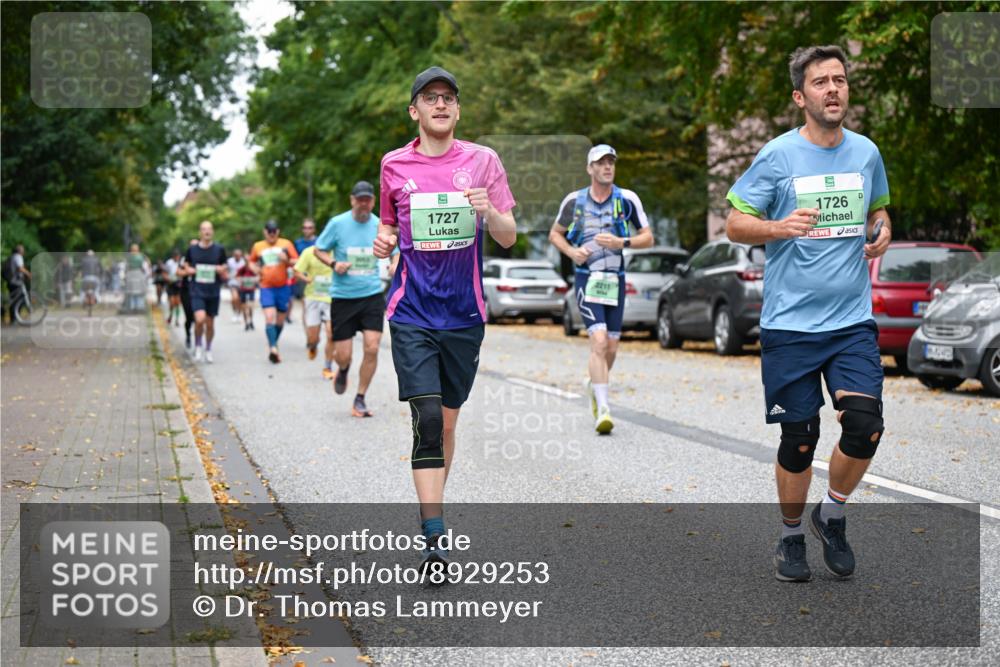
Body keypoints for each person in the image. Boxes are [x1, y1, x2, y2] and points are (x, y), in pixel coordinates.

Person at [725, 45, 891, 583]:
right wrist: (777, 227)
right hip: (790, 325)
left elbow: (877, 207)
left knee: (865, 425)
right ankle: (792, 534)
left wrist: (883, 226)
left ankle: (833, 514)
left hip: (850, 322)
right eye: (821, 82)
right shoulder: (777, 156)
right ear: (801, 97)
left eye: (840, 79)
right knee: (798, 439)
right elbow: (733, 223)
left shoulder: (866, 152)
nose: (833, 89)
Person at [374, 66, 516, 568]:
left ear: (457, 109)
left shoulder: (483, 161)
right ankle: (434, 534)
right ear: (414, 110)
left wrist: (488, 211)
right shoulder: (394, 164)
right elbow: (390, 228)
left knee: (448, 423)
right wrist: (384, 240)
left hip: (464, 314)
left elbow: (507, 236)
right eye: (430, 98)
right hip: (411, 310)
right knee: (428, 419)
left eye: (449, 98)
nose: (440, 104)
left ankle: (433, 509)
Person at [549, 144, 654, 434]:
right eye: (601, 163)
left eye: (611, 162)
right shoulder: (574, 201)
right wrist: (571, 253)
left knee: (611, 346)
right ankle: (604, 409)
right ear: (590, 168)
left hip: (616, 280)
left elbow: (648, 238)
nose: (607, 167)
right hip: (587, 278)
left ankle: (594, 385)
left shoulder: (628, 199)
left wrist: (623, 243)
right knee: (598, 340)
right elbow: (554, 235)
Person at [314, 181, 390, 413]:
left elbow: (395, 252)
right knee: (343, 355)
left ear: (373, 201)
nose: (363, 203)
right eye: (360, 199)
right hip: (343, 297)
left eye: (368, 199)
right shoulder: (337, 223)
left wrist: (394, 265)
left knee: (372, 347)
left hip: (372, 296)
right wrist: (334, 263)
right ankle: (344, 369)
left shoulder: (381, 225)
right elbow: (319, 249)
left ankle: (360, 397)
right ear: (352, 200)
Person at [249, 221, 299, 363]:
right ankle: (273, 348)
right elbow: (251, 261)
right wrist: (255, 269)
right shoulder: (258, 246)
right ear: (264, 232)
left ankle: (273, 343)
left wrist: (288, 260)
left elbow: (298, 261)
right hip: (266, 287)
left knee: (280, 321)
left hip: (283, 287)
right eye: (269, 231)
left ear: (278, 231)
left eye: (274, 231)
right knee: (269, 317)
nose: (272, 234)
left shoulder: (286, 244)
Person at [180, 222, 228, 362]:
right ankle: (198, 345)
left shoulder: (219, 249)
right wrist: (189, 270)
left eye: (209, 229)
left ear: (212, 232)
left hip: (213, 290)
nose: (207, 232)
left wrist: (221, 269)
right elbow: (186, 265)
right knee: (199, 319)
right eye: (204, 229)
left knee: (210, 323)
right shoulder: (192, 250)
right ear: (200, 232)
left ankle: (208, 348)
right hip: (197, 290)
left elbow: (225, 265)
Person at [293, 243, 335, 379]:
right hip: (313, 297)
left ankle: (327, 367)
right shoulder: (309, 252)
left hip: (332, 298)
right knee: (312, 338)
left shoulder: (338, 250)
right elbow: (297, 271)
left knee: (331, 334)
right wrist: (306, 279)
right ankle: (313, 345)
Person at [289, 218, 317, 327]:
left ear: (314, 229)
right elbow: (292, 260)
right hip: (302, 277)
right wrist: (302, 261)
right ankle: (309, 336)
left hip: (318, 278)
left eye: (310, 228)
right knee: (306, 305)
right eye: (305, 228)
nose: (307, 230)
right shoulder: (297, 243)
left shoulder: (319, 241)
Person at [4, 244, 31, 323]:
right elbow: (20, 268)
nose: (24, 251)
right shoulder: (18, 257)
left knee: (14, 300)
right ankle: (15, 319)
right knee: (19, 300)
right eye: (22, 249)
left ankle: (14, 319)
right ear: (20, 250)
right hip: (16, 282)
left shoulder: (12, 256)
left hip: (11, 281)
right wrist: (28, 273)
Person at [179, 239, 198, 348]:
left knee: (198, 317)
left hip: (199, 290)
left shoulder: (202, 258)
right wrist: (188, 272)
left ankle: (197, 341)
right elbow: (178, 272)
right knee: (189, 317)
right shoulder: (184, 260)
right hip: (186, 291)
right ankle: (188, 335)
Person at [124, 243, 149, 312]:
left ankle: (132, 307)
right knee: (140, 292)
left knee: (131, 292)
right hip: (139, 274)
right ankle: (139, 307)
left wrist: (125, 276)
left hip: (130, 274)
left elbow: (126, 267)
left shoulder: (128, 257)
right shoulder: (141, 256)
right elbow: (145, 267)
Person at [235, 257, 257, 331]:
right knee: (244, 307)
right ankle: (246, 323)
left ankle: (251, 320)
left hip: (251, 289)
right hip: (243, 289)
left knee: (250, 306)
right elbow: (237, 277)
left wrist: (255, 280)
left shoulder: (253, 269)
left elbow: (258, 275)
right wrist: (240, 280)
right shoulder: (242, 269)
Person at [226, 248, 246, 323]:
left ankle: (239, 314)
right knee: (234, 298)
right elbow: (226, 270)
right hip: (232, 282)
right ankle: (234, 313)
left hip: (241, 283)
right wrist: (227, 276)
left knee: (240, 300)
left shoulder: (243, 262)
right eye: (236, 255)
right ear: (233, 255)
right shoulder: (229, 261)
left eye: (239, 255)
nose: (237, 256)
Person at [165, 249, 183, 327]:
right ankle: (171, 315)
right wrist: (168, 279)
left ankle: (177, 319)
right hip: (171, 284)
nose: (177, 258)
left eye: (178, 257)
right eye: (176, 257)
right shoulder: (169, 263)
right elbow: (165, 273)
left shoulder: (181, 263)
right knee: (172, 302)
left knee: (178, 303)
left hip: (178, 284)